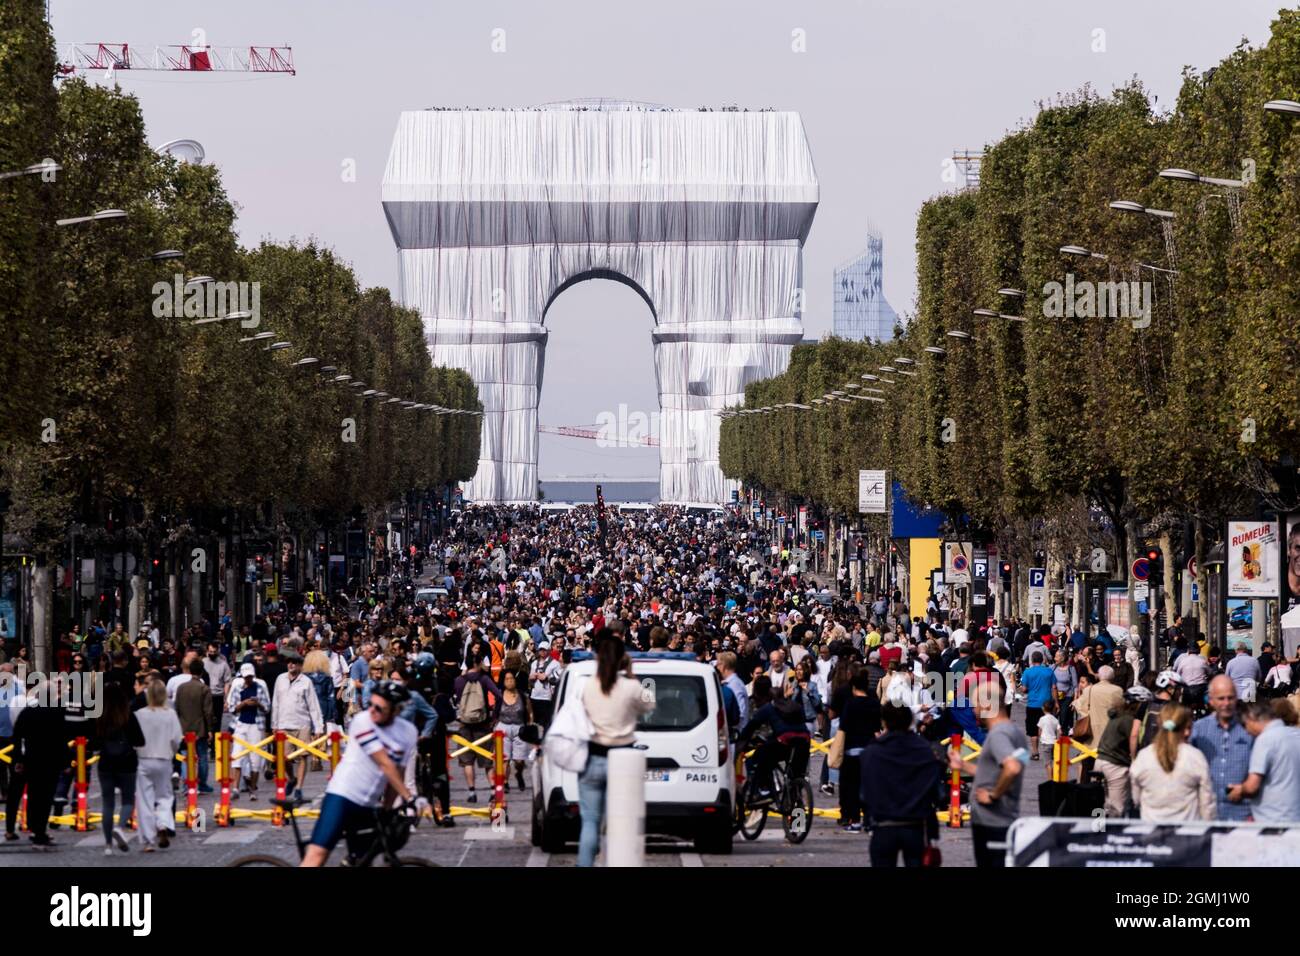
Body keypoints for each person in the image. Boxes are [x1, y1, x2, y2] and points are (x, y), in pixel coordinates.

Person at [301, 680, 419, 867]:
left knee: (364, 860)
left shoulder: (408, 732)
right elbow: (385, 764)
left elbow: (399, 773)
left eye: (379, 708)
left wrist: (388, 810)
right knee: (318, 853)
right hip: (342, 797)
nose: (371, 710)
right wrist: (410, 798)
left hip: (368, 804)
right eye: (370, 704)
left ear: (396, 710)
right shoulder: (362, 721)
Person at [577, 631, 655, 867]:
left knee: (590, 821)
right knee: (621, 823)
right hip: (622, 760)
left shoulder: (589, 685)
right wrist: (631, 676)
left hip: (593, 756)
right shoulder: (629, 686)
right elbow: (649, 704)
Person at [950, 679, 1026, 867]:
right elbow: (1003, 770)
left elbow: (1012, 767)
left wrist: (993, 795)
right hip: (1004, 817)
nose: (974, 711)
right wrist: (964, 766)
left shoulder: (998, 734)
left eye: (975, 705)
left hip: (992, 820)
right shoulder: (1016, 733)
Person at [860, 702, 943, 867]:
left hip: (883, 825)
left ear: (884, 722)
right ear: (910, 721)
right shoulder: (924, 751)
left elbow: (864, 793)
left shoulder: (872, 752)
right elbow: (936, 791)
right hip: (915, 825)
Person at [1129, 704, 1215, 822]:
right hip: (1187, 835)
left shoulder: (1143, 756)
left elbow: (1136, 798)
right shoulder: (1195, 757)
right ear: (1186, 730)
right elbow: (1207, 803)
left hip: (1151, 833)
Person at [10, 679, 68, 848]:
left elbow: (17, 737)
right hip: (51, 760)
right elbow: (62, 738)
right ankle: (40, 829)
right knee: (46, 796)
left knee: (34, 794)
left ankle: (35, 828)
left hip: (32, 758)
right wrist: (66, 761)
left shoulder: (28, 712)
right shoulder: (57, 713)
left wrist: (18, 759)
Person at [1188, 675, 1252, 821]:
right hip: (1206, 811)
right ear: (1211, 700)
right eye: (1221, 698)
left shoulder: (1248, 729)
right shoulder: (1198, 729)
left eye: (1230, 698)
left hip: (1241, 812)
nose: (1226, 703)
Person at [1227, 700, 1300, 823]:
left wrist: (1239, 790)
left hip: (1272, 821)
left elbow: (1252, 786)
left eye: (1245, 725)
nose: (1246, 731)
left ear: (1251, 718)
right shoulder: (1295, 735)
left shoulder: (1265, 740)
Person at [94, 683, 144, 856]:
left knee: (107, 803)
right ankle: (120, 826)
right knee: (128, 799)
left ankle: (108, 845)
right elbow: (140, 740)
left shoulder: (99, 715)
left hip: (105, 762)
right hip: (127, 762)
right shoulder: (128, 715)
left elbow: (93, 741)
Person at [135, 679, 183, 851]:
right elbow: (177, 739)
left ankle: (148, 841)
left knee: (145, 800)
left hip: (144, 759)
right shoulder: (170, 714)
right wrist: (172, 752)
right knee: (164, 796)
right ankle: (163, 825)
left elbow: (134, 739)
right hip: (164, 758)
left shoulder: (139, 714)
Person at [270, 651, 324, 803]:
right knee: (284, 758)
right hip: (283, 724)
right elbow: (276, 702)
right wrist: (274, 723)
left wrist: (318, 727)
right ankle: (292, 779)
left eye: (294, 662)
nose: (291, 665)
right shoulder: (280, 679)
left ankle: (299, 788)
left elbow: (313, 705)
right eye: (289, 662)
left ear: (300, 665)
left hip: (302, 724)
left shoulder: (306, 681)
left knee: (303, 757)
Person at [1093, 686, 1151, 817]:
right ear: (1139, 704)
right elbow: (1134, 738)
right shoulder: (1129, 720)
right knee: (1117, 808)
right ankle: (1114, 835)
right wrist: (1135, 759)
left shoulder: (1117, 715)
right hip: (1115, 764)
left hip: (1100, 760)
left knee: (1100, 804)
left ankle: (1098, 832)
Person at [836, 669, 882, 831]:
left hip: (852, 750)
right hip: (870, 749)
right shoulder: (874, 703)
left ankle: (854, 820)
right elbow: (878, 726)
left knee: (851, 787)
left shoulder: (850, 704)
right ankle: (869, 820)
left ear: (854, 687)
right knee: (869, 786)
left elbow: (844, 726)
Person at [453, 655, 502, 803]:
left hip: (465, 724)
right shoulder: (484, 679)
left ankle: (471, 792)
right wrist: (495, 716)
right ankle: (493, 790)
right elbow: (498, 696)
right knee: (487, 759)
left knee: (467, 761)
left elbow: (455, 699)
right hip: (483, 723)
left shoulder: (459, 681)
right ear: (477, 663)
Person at [226, 663, 270, 799]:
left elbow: (267, 708)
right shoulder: (237, 688)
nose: (248, 679)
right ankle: (235, 788)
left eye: (250, 677)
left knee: (255, 759)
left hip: (256, 725)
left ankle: (253, 789)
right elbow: (232, 708)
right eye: (246, 677)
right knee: (237, 756)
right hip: (240, 725)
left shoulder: (260, 688)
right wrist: (244, 703)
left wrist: (258, 704)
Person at [173, 657, 214, 794]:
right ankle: (202, 784)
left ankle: (187, 786)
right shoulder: (204, 688)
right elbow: (208, 711)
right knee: (202, 756)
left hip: (184, 727)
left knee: (186, 756)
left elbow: (176, 708)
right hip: (200, 727)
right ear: (202, 672)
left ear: (190, 671)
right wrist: (209, 729)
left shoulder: (181, 688)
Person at [496, 669, 532, 791]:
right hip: (503, 728)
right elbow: (495, 714)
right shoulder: (499, 695)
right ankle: (505, 782)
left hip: (519, 729)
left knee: (519, 760)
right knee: (505, 759)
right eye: (507, 679)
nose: (510, 681)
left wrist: (530, 727)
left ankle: (519, 773)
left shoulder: (522, 695)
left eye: (512, 678)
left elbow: (529, 712)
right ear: (503, 681)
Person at [1018, 651, 1055, 760]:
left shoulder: (1028, 672)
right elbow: (1054, 687)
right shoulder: (1049, 671)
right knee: (1048, 727)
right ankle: (1049, 752)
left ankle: (1035, 752)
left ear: (1032, 660)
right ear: (1042, 660)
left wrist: (1024, 689)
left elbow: (1024, 689)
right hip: (1047, 703)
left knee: (1033, 730)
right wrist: (1056, 702)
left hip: (1033, 704)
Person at [527, 643, 561, 728]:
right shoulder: (534, 663)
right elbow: (530, 677)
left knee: (545, 722)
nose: (542, 651)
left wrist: (547, 678)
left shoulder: (555, 663)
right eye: (540, 649)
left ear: (549, 650)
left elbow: (557, 679)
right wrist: (532, 677)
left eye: (544, 650)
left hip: (546, 697)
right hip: (534, 696)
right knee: (535, 722)